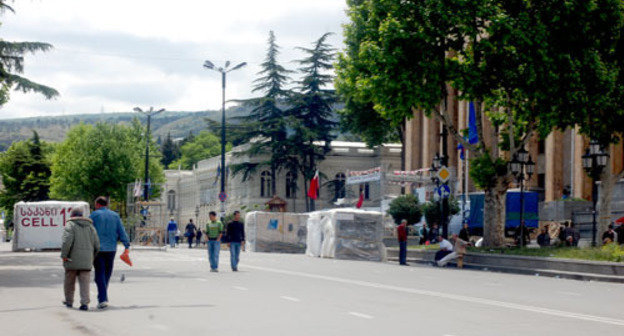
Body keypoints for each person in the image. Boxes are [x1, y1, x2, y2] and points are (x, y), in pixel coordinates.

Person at [90, 196, 130, 310]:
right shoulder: (115, 216)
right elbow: (121, 231)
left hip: (97, 249)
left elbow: (88, 231)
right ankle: (103, 297)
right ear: (107, 204)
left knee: (99, 273)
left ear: (97, 204)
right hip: (111, 249)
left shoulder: (93, 215)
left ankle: (102, 298)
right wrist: (126, 245)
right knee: (107, 273)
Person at [61, 208, 100, 311]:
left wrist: (64, 255)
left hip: (71, 259)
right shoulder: (91, 227)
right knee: (85, 283)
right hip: (87, 259)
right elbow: (97, 245)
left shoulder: (70, 225)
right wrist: (91, 256)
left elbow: (66, 242)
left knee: (69, 281)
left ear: (72, 215)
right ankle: (84, 303)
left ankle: (69, 301)